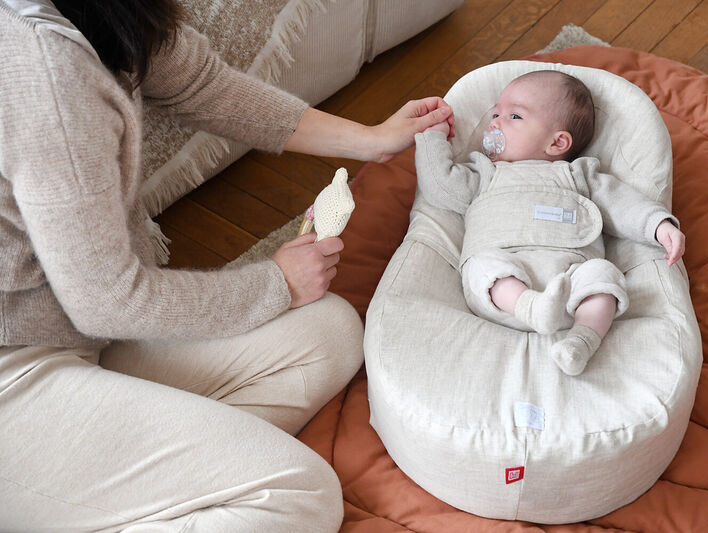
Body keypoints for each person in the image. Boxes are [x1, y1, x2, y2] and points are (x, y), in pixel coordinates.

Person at [0, 0, 453, 531]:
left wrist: (371, 141)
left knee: (330, 334)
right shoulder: (46, 78)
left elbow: (200, 85)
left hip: (79, 335)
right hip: (20, 371)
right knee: (299, 494)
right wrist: (276, 284)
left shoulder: (103, 15)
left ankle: (124, 496)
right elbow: (109, 301)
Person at [414, 69, 685, 376]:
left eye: (514, 116)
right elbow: (441, 187)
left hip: (571, 283)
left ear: (557, 143)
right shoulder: (485, 173)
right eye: (496, 113)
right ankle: (531, 306)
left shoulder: (578, 176)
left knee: (604, 276)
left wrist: (659, 225)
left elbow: (622, 202)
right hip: (505, 288)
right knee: (481, 267)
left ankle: (580, 341)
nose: (494, 123)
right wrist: (432, 136)